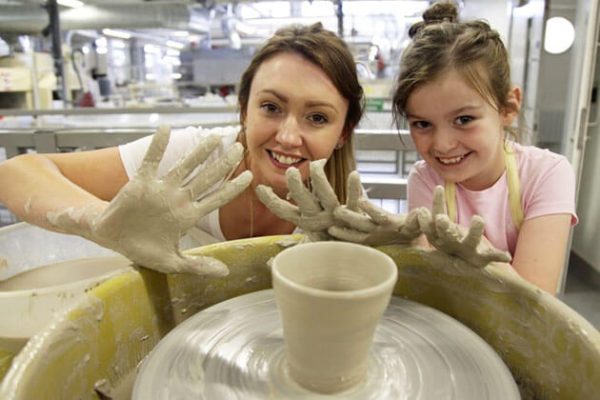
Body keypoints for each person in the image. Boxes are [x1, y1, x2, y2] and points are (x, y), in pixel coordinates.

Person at [259, 1, 578, 295]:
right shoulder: (427, 179)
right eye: (422, 124)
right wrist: (399, 247)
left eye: (464, 119)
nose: (442, 145)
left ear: (508, 107)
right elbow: (434, 286)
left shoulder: (547, 174)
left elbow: (538, 299)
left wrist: (481, 258)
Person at [0, 22, 365, 277]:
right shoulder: (195, 158)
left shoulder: (346, 211)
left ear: (343, 132)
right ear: (243, 110)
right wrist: (103, 220)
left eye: (317, 117)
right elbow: (17, 172)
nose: (287, 136)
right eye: (271, 107)